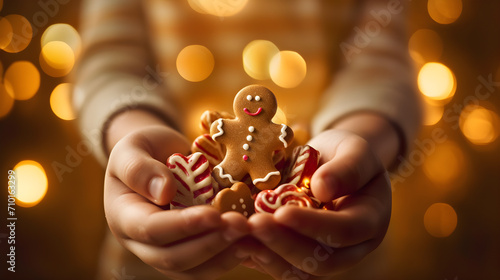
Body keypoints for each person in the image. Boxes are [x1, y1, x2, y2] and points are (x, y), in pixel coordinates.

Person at [74, 0, 421, 279]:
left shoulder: (277, 136)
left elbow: (379, 64)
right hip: (154, 258)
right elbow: (109, 65)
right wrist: (132, 136)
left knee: (260, 172)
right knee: (229, 168)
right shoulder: (227, 129)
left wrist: (361, 140)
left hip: (337, 247)